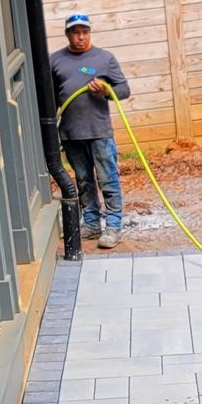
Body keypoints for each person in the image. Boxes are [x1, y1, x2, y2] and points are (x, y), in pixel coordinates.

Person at [50, 13, 132, 249]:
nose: (81, 37)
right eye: (75, 32)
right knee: (84, 181)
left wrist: (106, 90)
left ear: (90, 33)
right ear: (67, 34)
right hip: (71, 133)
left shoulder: (104, 58)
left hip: (99, 132)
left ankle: (114, 227)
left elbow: (124, 90)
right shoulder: (55, 60)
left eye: (85, 32)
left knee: (108, 179)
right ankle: (92, 223)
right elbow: (50, 98)